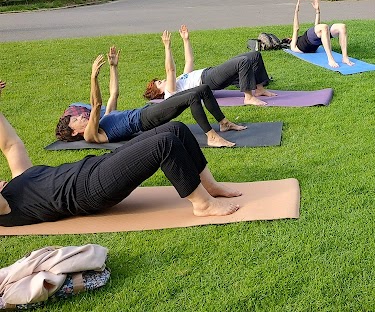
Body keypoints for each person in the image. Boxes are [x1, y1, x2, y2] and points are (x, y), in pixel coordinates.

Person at [0, 80, 241, 227]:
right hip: (89, 190)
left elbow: (10, 145)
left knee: (175, 129)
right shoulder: (8, 207)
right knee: (164, 144)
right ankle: (202, 205)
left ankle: (209, 185)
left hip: (95, 167)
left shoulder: (20, 178)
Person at [58, 48, 245, 148]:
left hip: (146, 112)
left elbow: (114, 93)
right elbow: (97, 104)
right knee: (192, 97)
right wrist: (93, 78)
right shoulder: (91, 135)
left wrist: (113, 67)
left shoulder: (104, 120)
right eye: (75, 120)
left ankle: (224, 123)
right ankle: (211, 137)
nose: (81, 116)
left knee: (202, 88)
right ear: (74, 132)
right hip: (145, 120)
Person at [144, 25, 275, 106]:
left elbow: (189, 61)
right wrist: (167, 47)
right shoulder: (169, 93)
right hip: (207, 80)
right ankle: (249, 97)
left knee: (254, 56)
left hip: (209, 73)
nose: (163, 80)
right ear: (160, 92)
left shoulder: (179, 81)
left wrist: (186, 40)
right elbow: (170, 70)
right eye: (160, 83)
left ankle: (259, 89)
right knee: (243, 62)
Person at [288, 0, 353, 68]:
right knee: (324, 27)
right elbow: (296, 29)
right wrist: (296, 12)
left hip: (311, 37)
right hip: (314, 39)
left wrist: (317, 11)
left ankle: (345, 57)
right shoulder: (293, 47)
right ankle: (330, 59)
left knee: (342, 27)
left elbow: (316, 26)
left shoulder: (299, 43)